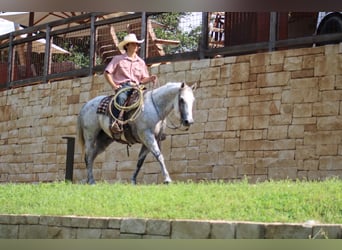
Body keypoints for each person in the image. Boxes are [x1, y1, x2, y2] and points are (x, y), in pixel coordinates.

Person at [104, 33, 157, 133]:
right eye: (133, 44)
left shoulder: (141, 62)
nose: (136, 46)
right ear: (127, 45)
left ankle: (152, 127)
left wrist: (150, 78)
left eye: (137, 44)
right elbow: (107, 73)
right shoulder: (118, 59)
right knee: (120, 98)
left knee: (149, 100)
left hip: (138, 87)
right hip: (123, 86)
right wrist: (114, 86)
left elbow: (143, 79)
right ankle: (115, 123)